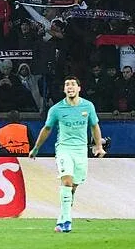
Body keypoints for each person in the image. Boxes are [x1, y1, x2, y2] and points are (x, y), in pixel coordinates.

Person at [28, 76, 106, 233]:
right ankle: (67, 221)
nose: (70, 87)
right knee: (67, 181)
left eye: (73, 84)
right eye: (67, 85)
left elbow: (94, 126)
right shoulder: (56, 109)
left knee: (73, 187)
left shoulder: (88, 106)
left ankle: (62, 217)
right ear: (64, 90)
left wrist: (99, 146)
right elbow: (47, 129)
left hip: (81, 151)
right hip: (64, 149)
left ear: (79, 88)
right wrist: (36, 148)